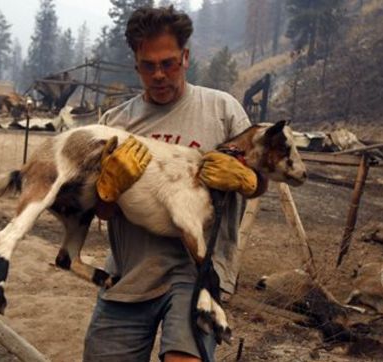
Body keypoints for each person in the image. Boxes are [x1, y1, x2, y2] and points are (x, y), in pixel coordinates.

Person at [83, 6, 267, 362]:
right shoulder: (114, 123)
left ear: (186, 56)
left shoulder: (222, 111)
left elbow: (260, 184)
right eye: (148, 65)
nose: (159, 75)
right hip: (129, 273)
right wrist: (108, 188)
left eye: (168, 63)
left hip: (196, 272)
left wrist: (246, 179)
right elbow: (102, 212)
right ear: (136, 64)